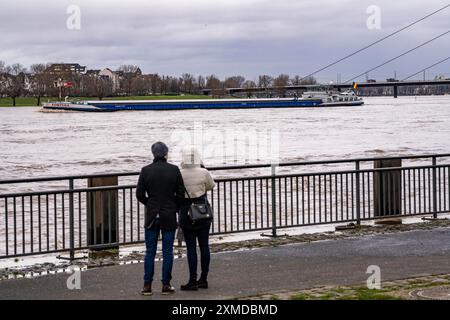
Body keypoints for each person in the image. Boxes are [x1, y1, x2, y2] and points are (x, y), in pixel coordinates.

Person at [136, 141, 185, 296]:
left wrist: (150, 204)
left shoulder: (145, 170)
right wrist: (174, 207)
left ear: (153, 154)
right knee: (168, 251)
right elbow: (181, 194)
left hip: (152, 215)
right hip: (169, 215)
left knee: (150, 251)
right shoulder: (174, 170)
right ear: (166, 154)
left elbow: (139, 194)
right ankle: (166, 285)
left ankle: (147, 286)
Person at [178, 147, 215, 291]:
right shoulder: (203, 172)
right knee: (204, 246)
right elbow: (211, 186)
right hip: (202, 211)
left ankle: (192, 280)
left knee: (191, 248)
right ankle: (203, 279)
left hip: (186, 213)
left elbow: (177, 191)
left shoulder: (179, 173)